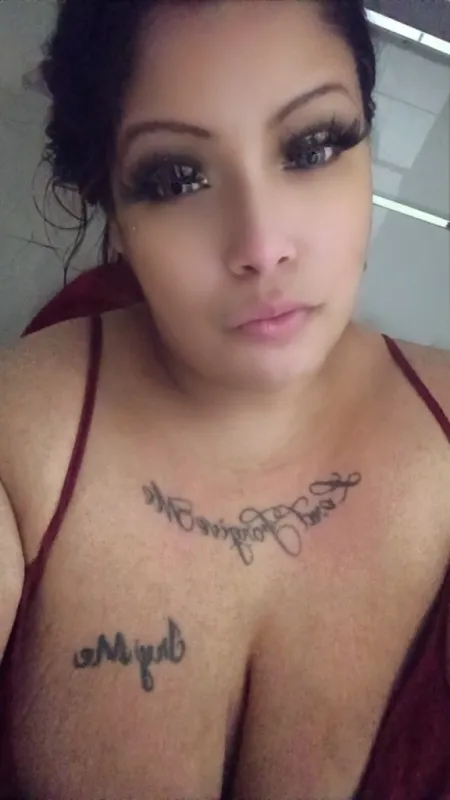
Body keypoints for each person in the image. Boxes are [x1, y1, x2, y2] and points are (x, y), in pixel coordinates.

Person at [0, 0, 449, 798]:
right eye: (177, 178)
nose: (261, 245)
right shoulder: (18, 444)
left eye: (313, 147)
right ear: (115, 214)